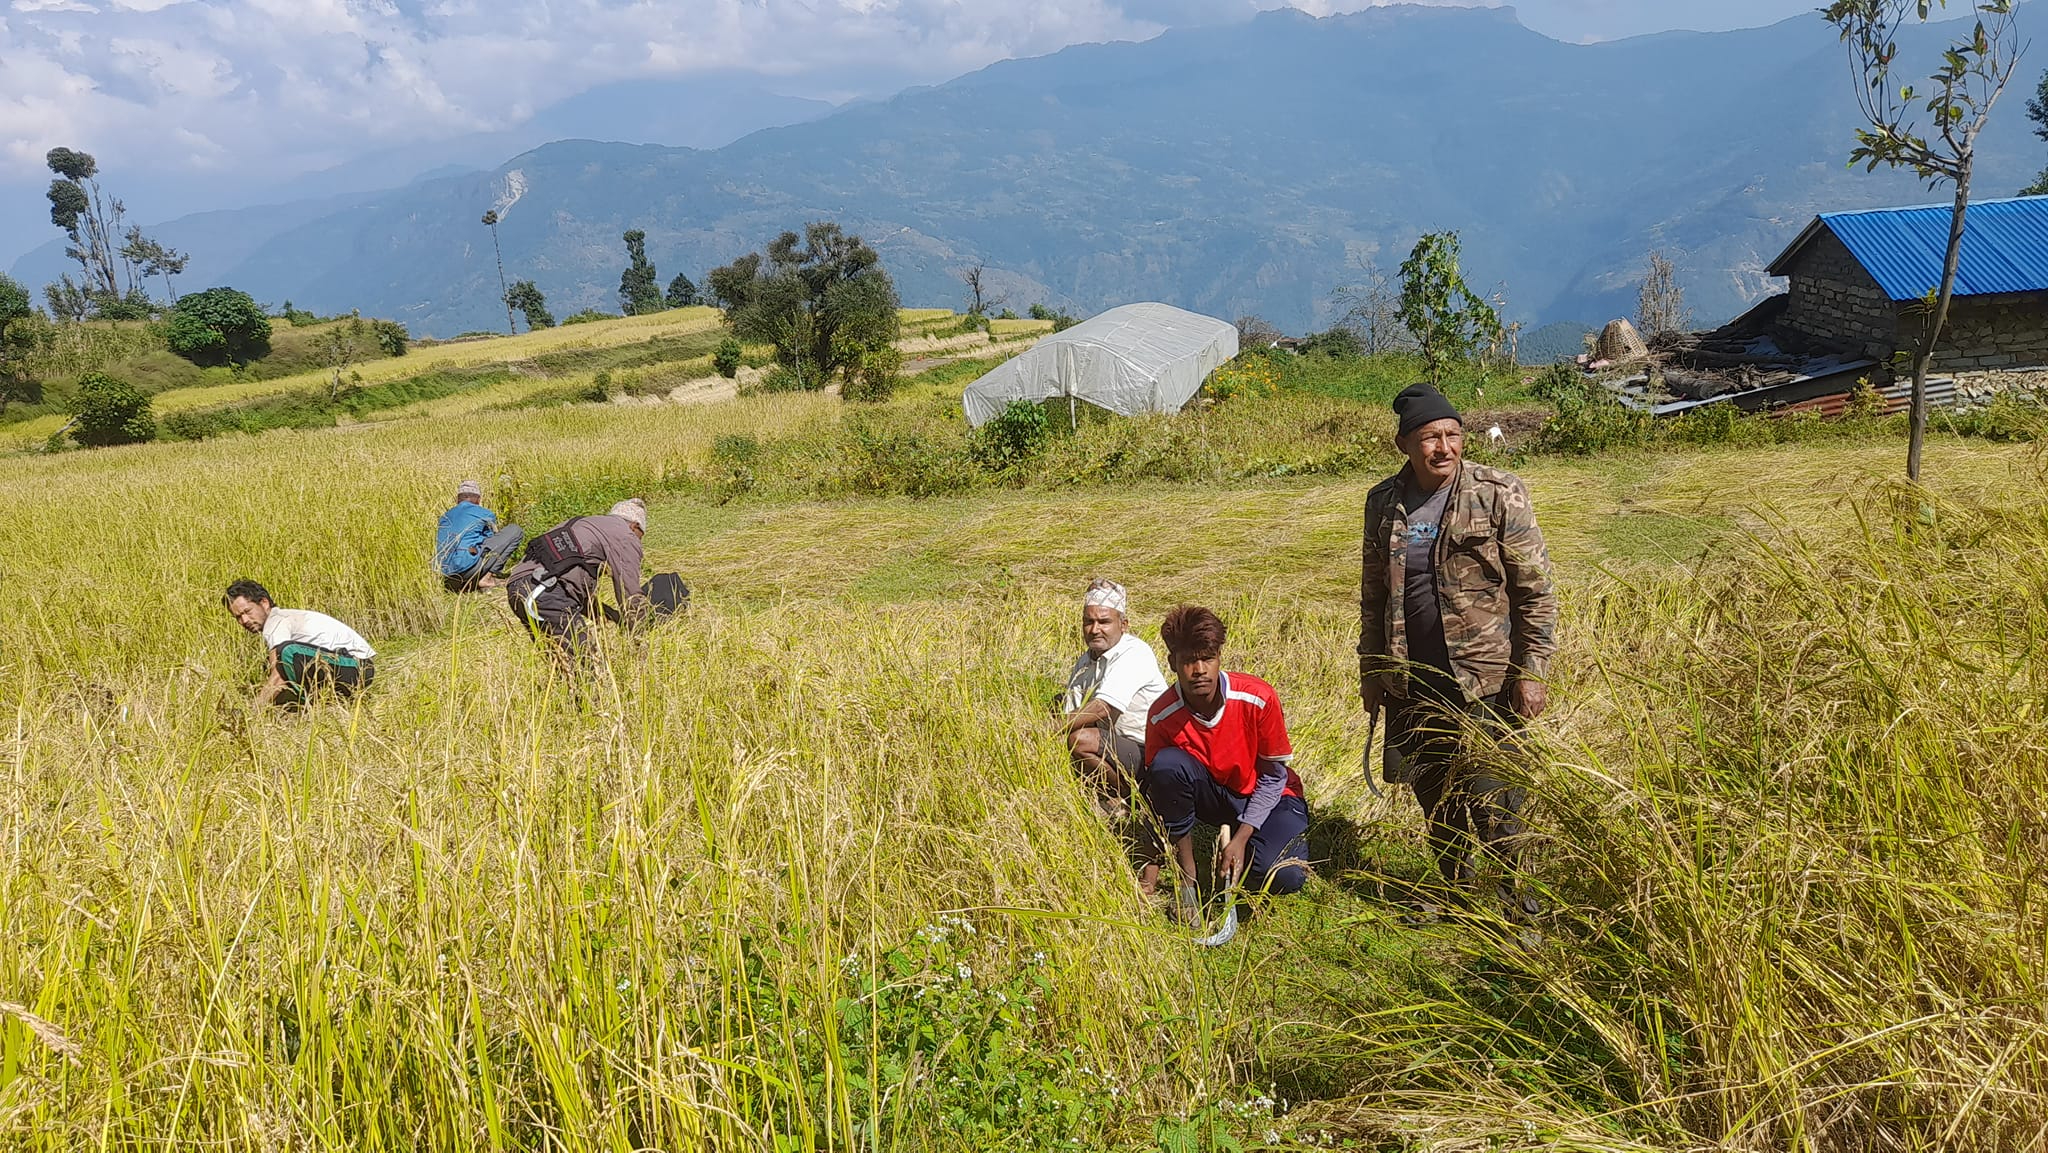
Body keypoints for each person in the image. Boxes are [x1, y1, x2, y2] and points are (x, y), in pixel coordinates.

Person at [1358, 382, 1559, 918]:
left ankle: (1519, 905)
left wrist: (1533, 669)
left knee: (1497, 794)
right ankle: (1458, 894)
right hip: (1413, 676)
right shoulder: (1383, 501)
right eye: (1429, 437)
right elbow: (1373, 592)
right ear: (1405, 444)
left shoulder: (1498, 492)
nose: (1443, 447)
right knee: (1434, 790)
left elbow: (1535, 589)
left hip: (1486, 677)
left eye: (1451, 435)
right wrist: (1371, 669)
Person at [1142, 604, 1311, 907]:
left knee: (1286, 874)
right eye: (1188, 661)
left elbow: (1274, 778)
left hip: (1270, 795)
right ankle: (1189, 878)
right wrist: (1151, 871)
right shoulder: (1161, 716)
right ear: (1172, 662)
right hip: (1216, 795)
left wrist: (1242, 838)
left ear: (1220, 658)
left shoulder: (1257, 698)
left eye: (1208, 658)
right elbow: (1162, 792)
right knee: (1167, 764)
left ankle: (1244, 850)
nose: (1200, 670)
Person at [1059, 578, 1168, 820]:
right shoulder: (1085, 662)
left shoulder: (1134, 653)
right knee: (1072, 735)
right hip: (1115, 746)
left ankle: (1134, 798)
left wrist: (1049, 728)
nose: (1095, 629)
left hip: (1149, 750)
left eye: (1104, 622)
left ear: (1123, 624)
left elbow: (1103, 708)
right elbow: (1073, 710)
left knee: (1080, 739)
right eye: (1089, 622)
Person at [505, 497, 651, 657]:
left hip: (520, 589)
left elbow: (567, 582)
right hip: (543, 593)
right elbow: (630, 594)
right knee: (585, 664)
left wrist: (613, 616)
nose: (638, 542)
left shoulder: (583, 524)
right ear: (634, 526)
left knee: (563, 665)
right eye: (640, 536)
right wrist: (639, 636)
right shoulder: (625, 535)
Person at [221, 579, 376, 708]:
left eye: (247, 612)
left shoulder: (276, 622)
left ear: (264, 603)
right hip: (351, 668)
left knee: (286, 653)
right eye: (238, 617)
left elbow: (279, 673)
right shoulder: (283, 619)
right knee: (270, 663)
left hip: (357, 667)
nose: (244, 621)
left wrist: (254, 710)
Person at [435, 480, 524, 592]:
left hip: (447, 575)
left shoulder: (444, 516)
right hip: (467, 568)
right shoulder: (485, 513)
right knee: (515, 530)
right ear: (478, 499)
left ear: (457, 499)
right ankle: (487, 578)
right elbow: (491, 540)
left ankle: (467, 584)